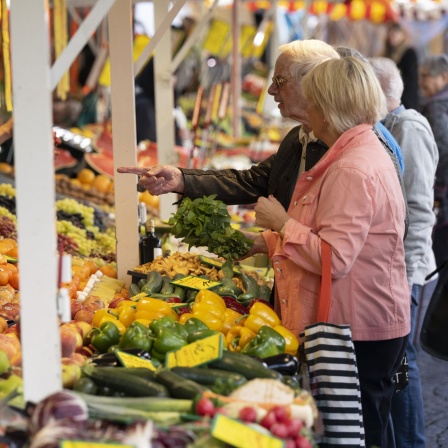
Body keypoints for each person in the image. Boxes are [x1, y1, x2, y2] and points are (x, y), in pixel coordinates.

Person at [119, 41, 410, 447]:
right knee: (348, 425)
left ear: (321, 97)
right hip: (329, 310)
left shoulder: (354, 162)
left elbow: (337, 255)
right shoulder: (319, 144)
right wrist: (263, 238)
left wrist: (282, 225)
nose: (273, 92)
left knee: (358, 427)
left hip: (353, 317)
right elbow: (265, 189)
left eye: (281, 81)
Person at [369, 56, 439, 448]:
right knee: (398, 362)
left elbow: (416, 208)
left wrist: (408, 272)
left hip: (408, 268)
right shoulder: (386, 128)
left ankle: (413, 442)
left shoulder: (408, 127)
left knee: (404, 363)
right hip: (395, 268)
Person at [419, 54, 448, 267]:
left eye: (426, 76)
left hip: (441, 189)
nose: (422, 83)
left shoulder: (436, 106)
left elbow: (441, 145)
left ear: (444, 77)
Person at [383, 22, 420, 110]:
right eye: (390, 33)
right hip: (390, 94)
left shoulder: (409, 53)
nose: (392, 36)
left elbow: (410, 77)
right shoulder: (387, 52)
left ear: (403, 35)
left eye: (395, 33)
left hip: (405, 96)